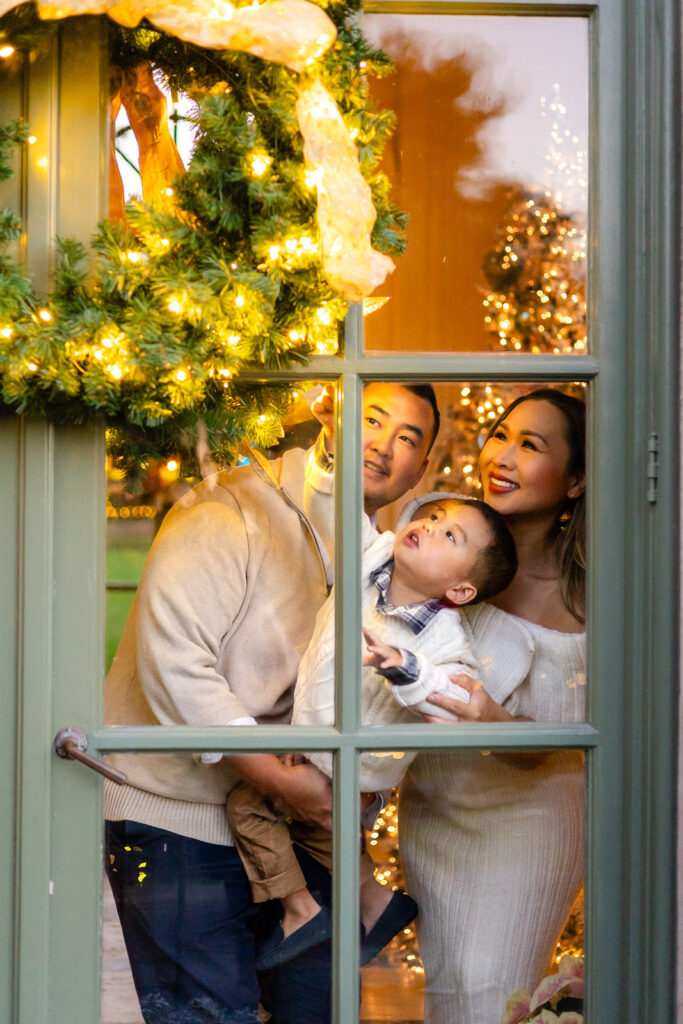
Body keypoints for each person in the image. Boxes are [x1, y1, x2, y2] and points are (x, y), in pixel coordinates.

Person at [103, 381, 440, 1024]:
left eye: (408, 438)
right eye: (372, 419)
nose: (384, 446)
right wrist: (289, 783)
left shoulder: (387, 559)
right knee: (211, 1016)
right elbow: (175, 663)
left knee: (318, 1008)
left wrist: (351, 785)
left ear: (421, 468)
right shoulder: (228, 506)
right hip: (178, 820)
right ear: (327, 413)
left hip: (292, 829)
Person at [225, 495, 518, 971]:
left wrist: (408, 669)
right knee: (319, 833)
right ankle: (377, 901)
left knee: (248, 807)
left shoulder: (444, 640)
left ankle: (301, 911)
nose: (429, 524)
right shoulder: (370, 563)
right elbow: (338, 508)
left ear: (462, 591)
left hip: (357, 767)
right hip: (316, 746)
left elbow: (453, 697)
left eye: (450, 535)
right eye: (434, 516)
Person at [398, 388, 587, 1024]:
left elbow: (552, 746)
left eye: (529, 446)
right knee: (450, 995)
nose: (500, 456)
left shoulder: (594, 591)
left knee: (487, 1000)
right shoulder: (451, 547)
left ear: (578, 480)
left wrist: (486, 716)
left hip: (527, 828)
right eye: (501, 434)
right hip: (435, 814)